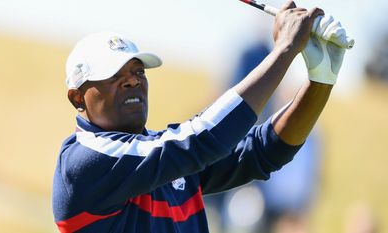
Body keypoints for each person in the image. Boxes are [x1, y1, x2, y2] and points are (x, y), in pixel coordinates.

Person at [52, 1, 348, 232]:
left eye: (138, 71)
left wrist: (320, 80)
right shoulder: (83, 161)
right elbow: (202, 138)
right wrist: (284, 50)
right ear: (78, 97)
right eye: (113, 75)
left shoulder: (160, 153)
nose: (132, 81)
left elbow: (262, 151)